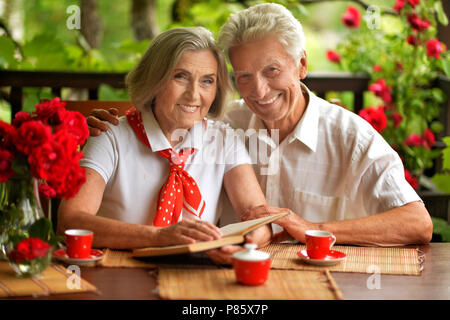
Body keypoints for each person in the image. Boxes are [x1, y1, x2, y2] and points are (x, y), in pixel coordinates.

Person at [88, 3, 433, 248]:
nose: (259, 91)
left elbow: (418, 224)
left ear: (300, 65)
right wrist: (97, 126)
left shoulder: (351, 137)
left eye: (271, 71)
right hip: (233, 275)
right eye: (244, 77)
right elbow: (167, 108)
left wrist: (313, 228)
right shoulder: (225, 124)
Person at [57, 27, 270, 251]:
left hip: (196, 275)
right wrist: (159, 237)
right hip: (117, 273)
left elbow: (258, 220)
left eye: (207, 81)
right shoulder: (109, 135)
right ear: (154, 80)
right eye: (180, 77)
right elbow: (70, 220)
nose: (194, 95)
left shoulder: (225, 139)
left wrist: (241, 246)